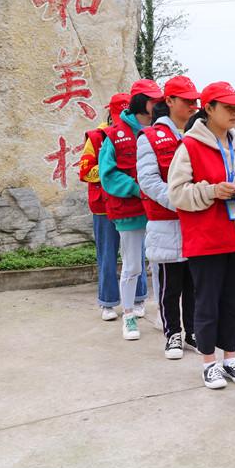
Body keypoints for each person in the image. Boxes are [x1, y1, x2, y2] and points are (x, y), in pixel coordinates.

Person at [168, 81, 235, 389]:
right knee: (207, 303)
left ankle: (230, 358)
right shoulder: (190, 146)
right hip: (207, 239)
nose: (234, 112)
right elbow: (177, 193)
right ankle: (209, 362)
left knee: (233, 303)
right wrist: (212, 191)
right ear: (208, 109)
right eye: (228, 107)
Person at [137, 75, 200, 359]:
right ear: (170, 101)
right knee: (170, 284)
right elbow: (148, 180)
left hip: (196, 221)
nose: (192, 105)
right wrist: (180, 201)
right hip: (167, 222)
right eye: (186, 100)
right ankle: (172, 333)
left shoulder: (198, 135)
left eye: (194, 100)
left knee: (195, 282)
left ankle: (194, 332)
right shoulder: (149, 137)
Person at [99, 80, 162, 340]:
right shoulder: (114, 135)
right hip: (130, 212)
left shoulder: (163, 130)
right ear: (139, 103)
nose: (158, 105)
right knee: (133, 265)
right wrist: (137, 189)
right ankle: (128, 316)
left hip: (160, 211)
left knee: (161, 264)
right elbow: (108, 174)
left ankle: (163, 312)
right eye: (153, 100)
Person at [78, 93, 147, 321]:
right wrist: (112, 176)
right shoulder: (97, 137)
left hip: (130, 205)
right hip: (104, 207)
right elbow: (86, 171)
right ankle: (107, 303)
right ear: (110, 113)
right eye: (118, 115)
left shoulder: (140, 133)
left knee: (137, 253)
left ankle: (138, 298)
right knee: (107, 254)